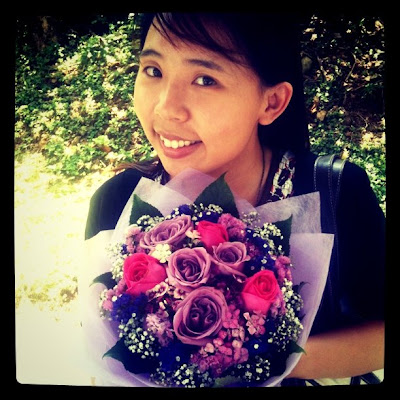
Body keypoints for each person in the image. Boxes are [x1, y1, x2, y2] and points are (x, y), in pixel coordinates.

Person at [85, 13, 385, 385]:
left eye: (204, 79)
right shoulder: (116, 203)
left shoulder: (336, 194)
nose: (165, 108)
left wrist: (251, 362)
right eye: (153, 70)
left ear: (272, 102)